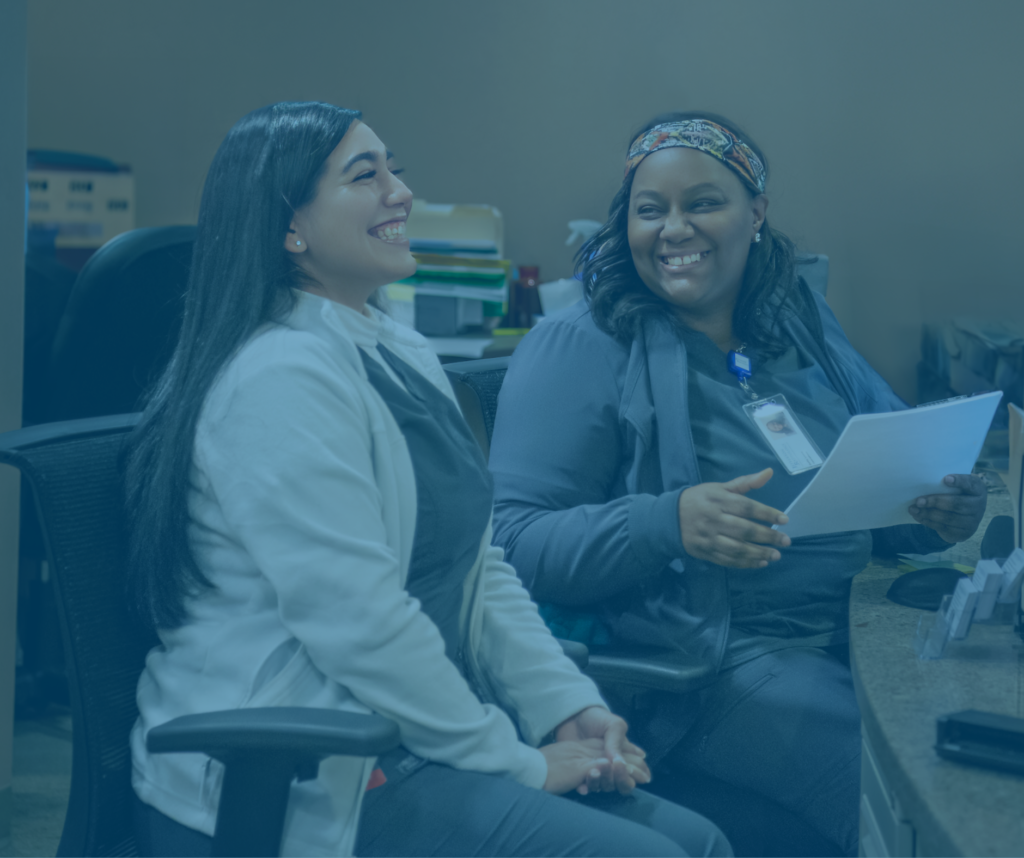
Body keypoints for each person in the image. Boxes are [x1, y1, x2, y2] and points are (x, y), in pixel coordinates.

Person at [123, 102, 731, 858]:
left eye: (395, 172)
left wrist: (564, 707)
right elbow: (359, 622)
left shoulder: (398, 351)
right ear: (290, 228)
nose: (400, 193)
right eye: (364, 176)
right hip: (311, 768)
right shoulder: (275, 379)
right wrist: (517, 761)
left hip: (414, 731)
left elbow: (480, 567)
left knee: (698, 842)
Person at [488, 112, 988, 857]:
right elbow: (510, 543)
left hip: (853, 626)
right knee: (935, 787)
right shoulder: (580, 343)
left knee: (989, 734)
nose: (673, 229)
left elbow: (895, 467)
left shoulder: (798, 322)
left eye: (703, 203)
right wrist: (667, 521)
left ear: (756, 213)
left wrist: (941, 506)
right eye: (648, 210)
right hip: (713, 662)